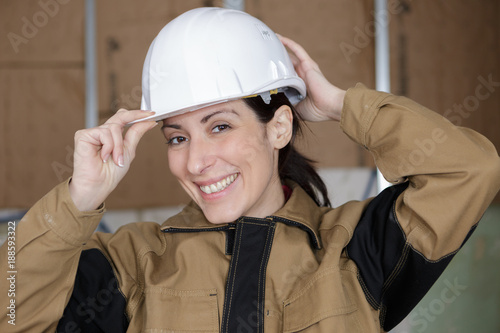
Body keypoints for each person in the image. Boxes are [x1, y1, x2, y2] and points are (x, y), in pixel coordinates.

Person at [1, 7, 499, 333]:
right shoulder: (132, 262)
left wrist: (341, 104)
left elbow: (470, 170)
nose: (195, 162)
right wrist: (77, 202)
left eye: (219, 127)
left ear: (278, 127)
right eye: (177, 136)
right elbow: (8, 306)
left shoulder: (354, 250)